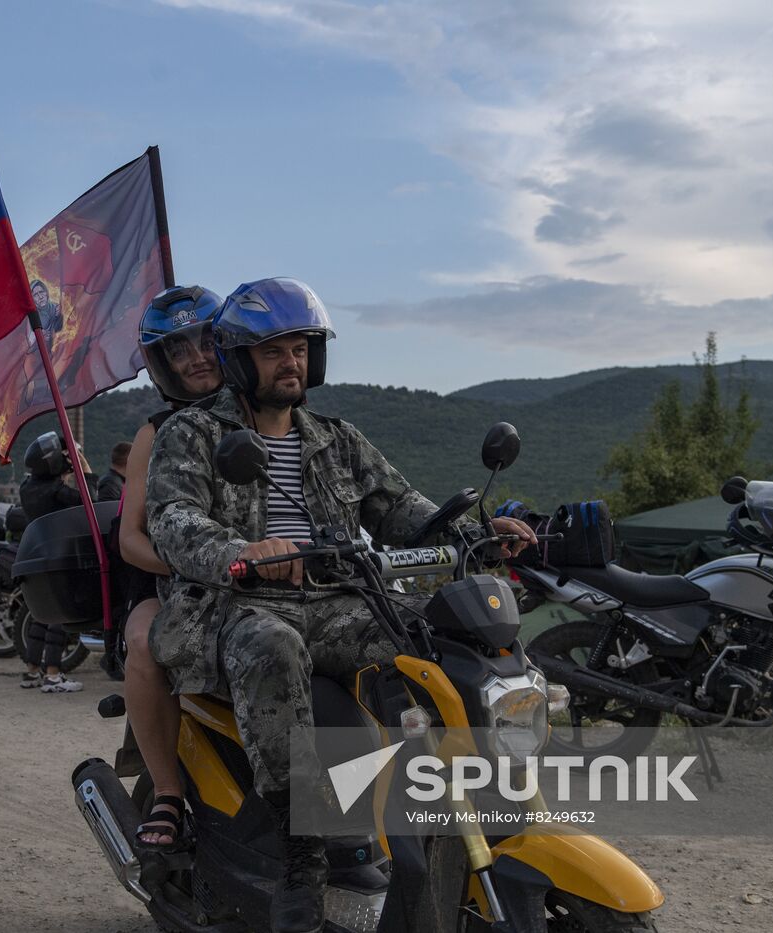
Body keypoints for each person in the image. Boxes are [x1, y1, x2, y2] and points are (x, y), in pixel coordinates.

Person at [145, 278, 535, 933]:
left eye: (299, 347)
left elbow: (400, 509)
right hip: (233, 603)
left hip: (330, 598)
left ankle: (436, 814)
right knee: (273, 649)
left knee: (423, 650)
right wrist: (241, 549)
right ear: (241, 359)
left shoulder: (337, 437)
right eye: (273, 350)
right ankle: (303, 859)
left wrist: (476, 535)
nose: (290, 361)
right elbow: (173, 518)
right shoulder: (193, 432)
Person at [115, 285, 225, 855]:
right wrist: (203, 565)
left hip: (272, 576)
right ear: (163, 365)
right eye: (179, 350)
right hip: (172, 581)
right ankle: (166, 790)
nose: (197, 356)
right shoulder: (154, 434)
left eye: (206, 340)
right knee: (143, 640)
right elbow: (130, 538)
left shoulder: (271, 418)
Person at [17, 432, 96, 693]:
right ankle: (52, 675)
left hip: (34, 554)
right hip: (59, 555)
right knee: (60, 617)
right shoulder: (57, 492)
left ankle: (31, 671)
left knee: (41, 615)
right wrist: (82, 465)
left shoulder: (27, 487)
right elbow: (91, 499)